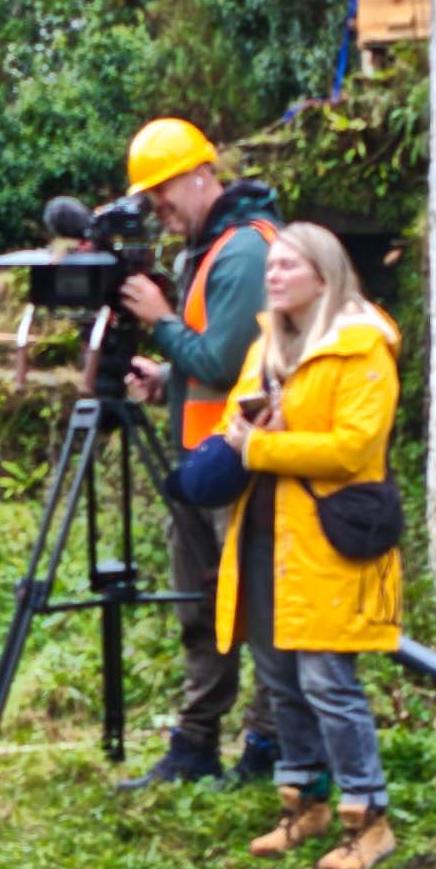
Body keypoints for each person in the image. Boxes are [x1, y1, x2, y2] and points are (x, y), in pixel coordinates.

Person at [215, 222, 403, 869]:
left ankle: (369, 820)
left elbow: (353, 447)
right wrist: (243, 432)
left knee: (328, 680)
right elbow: (230, 424)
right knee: (279, 676)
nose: (274, 274)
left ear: (324, 275)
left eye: (289, 265)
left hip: (328, 538)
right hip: (267, 532)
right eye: (271, 264)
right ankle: (307, 803)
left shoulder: (361, 349)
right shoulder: (269, 341)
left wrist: (262, 446)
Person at [115, 117, 282, 790]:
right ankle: (196, 743)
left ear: (201, 175)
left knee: (258, 605)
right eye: (149, 195)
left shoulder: (243, 251)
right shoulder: (208, 249)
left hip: (238, 464)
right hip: (203, 462)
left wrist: (158, 318)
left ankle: (268, 743)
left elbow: (223, 359)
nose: (157, 207)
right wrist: (166, 379)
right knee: (199, 603)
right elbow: (207, 367)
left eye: (163, 191)